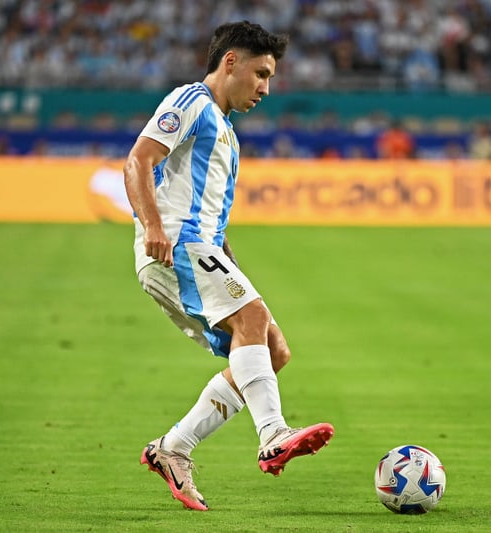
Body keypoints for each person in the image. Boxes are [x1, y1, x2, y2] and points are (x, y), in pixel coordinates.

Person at [122, 21, 334, 512]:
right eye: (261, 74)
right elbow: (137, 160)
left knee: (273, 350)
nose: (265, 88)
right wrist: (152, 225)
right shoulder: (191, 102)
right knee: (252, 320)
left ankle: (173, 448)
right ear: (230, 62)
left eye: (270, 78)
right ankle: (272, 433)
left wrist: (233, 269)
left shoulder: (227, 134)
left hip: (203, 247)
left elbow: (213, 219)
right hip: (176, 245)